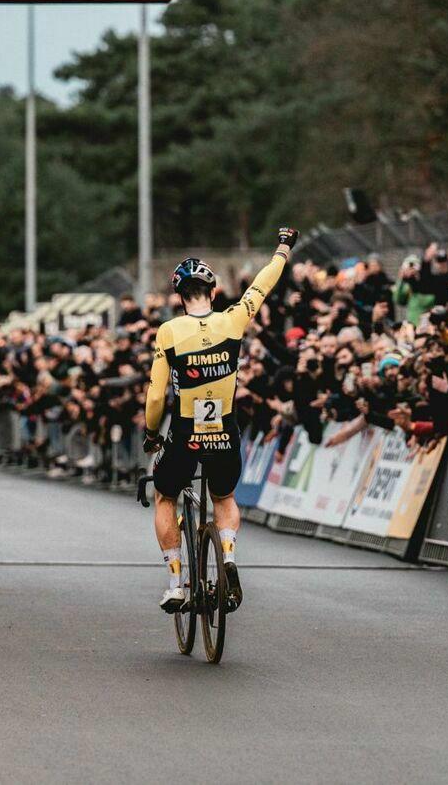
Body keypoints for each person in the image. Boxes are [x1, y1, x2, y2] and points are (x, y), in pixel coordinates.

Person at [143, 227, 297, 613]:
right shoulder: (233, 321)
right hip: (224, 429)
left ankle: (176, 583)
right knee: (224, 496)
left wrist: (150, 433)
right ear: (213, 293)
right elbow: (261, 286)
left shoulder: (170, 331)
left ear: (180, 297)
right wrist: (282, 247)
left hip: (184, 432)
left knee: (165, 496)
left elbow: (157, 395)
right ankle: (227, 556)